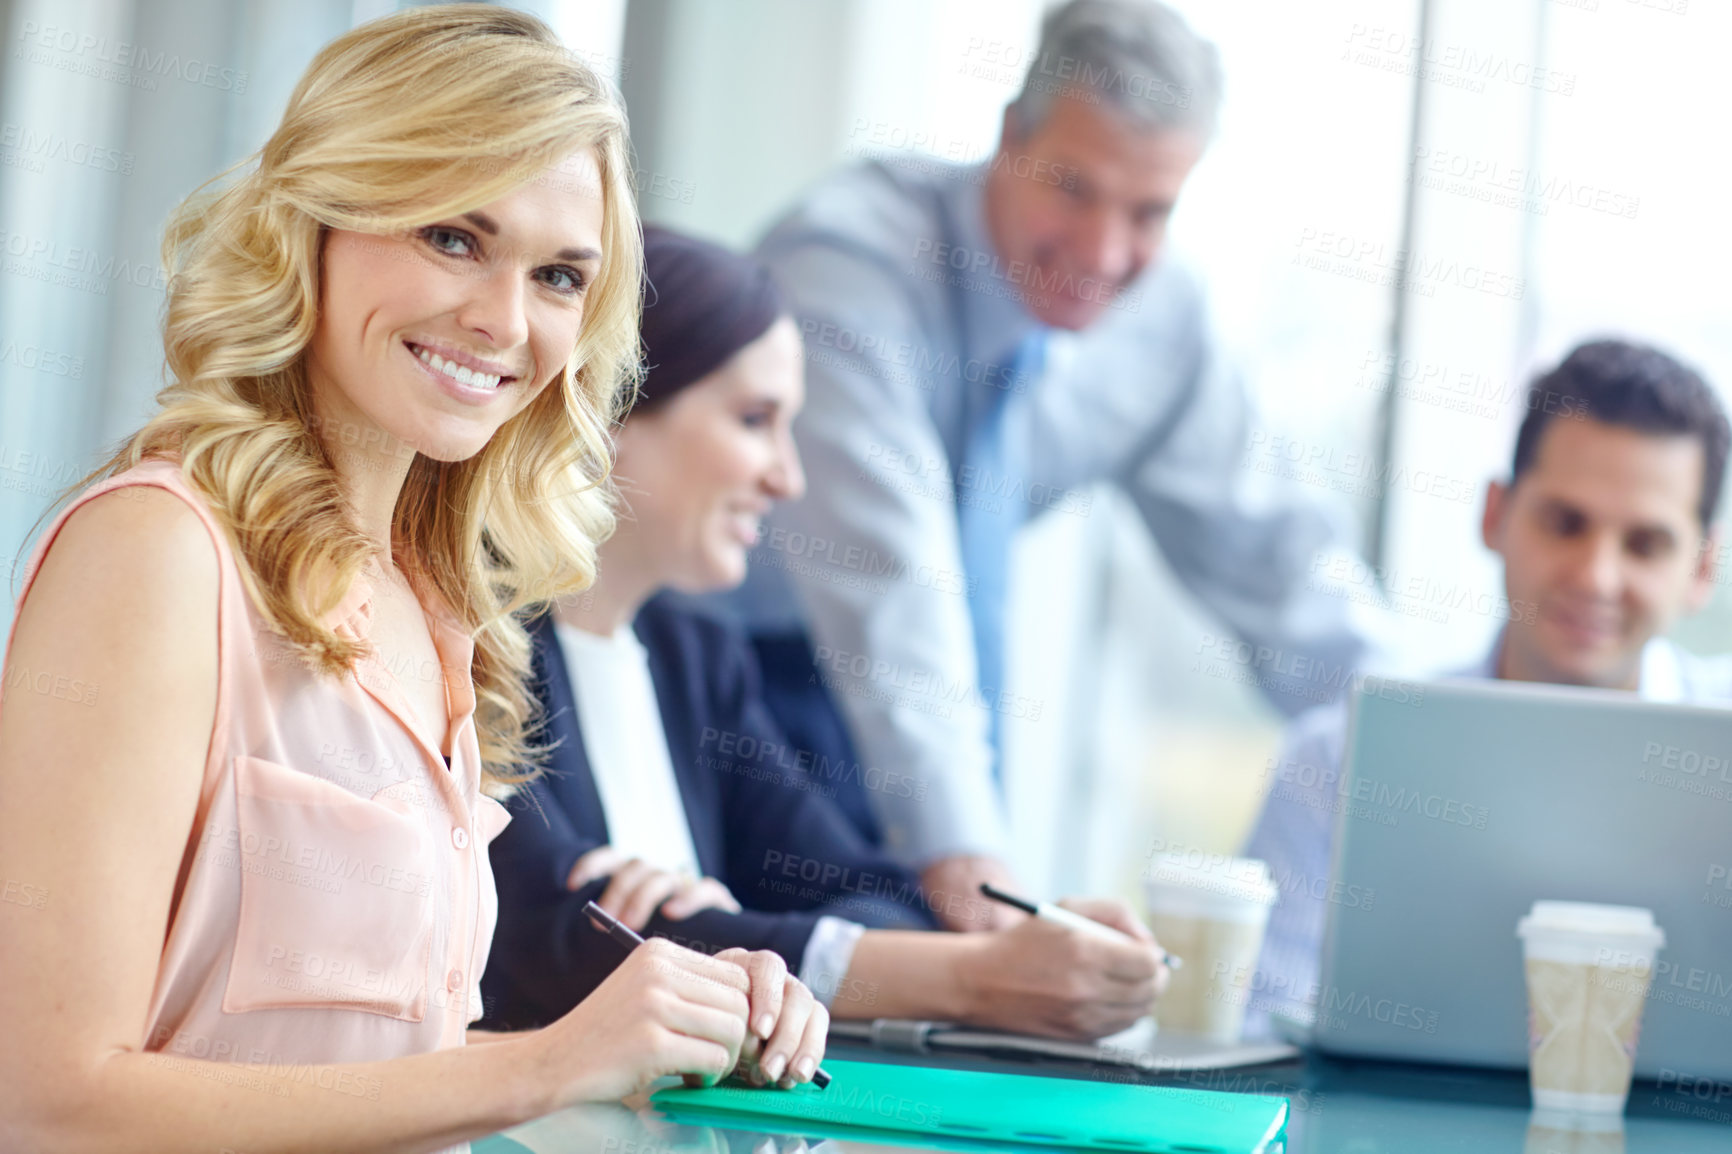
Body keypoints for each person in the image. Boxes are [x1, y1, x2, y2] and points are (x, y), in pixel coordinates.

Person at [0, 10, 823, 1153]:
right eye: (450, 235)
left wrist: (658, 1025)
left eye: (558, 275)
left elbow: (354, 1074)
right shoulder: (156, 551)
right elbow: (46, 1098)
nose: (501, 318)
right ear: (318, 224)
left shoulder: (440, 604)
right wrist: (547, 1061)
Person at [719, 0, 1383, 923]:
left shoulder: (1162, 321)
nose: (1104, 253)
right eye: (1073, 188)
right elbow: (890, 582)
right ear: (1008, 138)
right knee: (837, 969)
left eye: (1149, 211)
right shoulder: (848, 261)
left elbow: (1276, 557)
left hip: (917, 704)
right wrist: (982, 888)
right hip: (738, 683)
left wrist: (1423, 745)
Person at [483, 226, 1172, 1045]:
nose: (788, 477)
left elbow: (885, 900)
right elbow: (553, 947)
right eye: (753, 419)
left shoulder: (695, 660)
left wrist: (722, 925)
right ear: (607, 409)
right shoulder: (477, 648)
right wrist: (980, 978)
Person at [1243, 338, 1732, 1028]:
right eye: (1566, 523)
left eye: (1645, 544)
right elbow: (1256, 1033)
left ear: (1704, 567)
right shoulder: (1334, 766)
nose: (1596, 577)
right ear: (1494, 513)